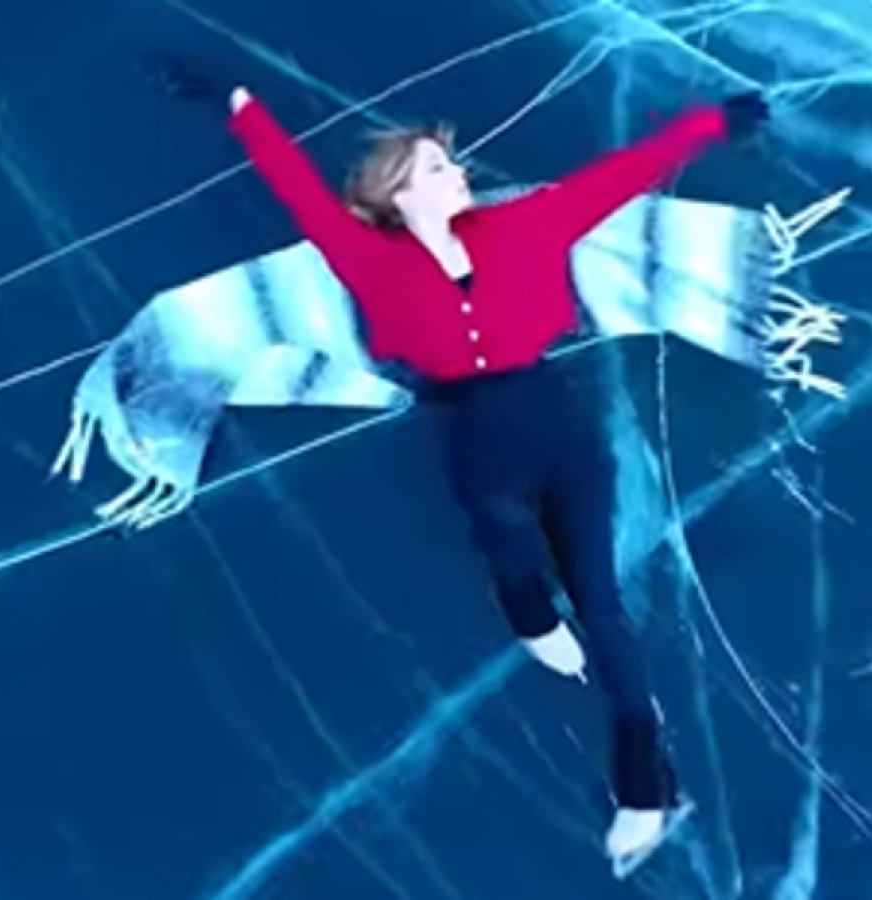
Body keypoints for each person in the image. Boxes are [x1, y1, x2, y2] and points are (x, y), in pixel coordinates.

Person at [147, 53, 769, 870]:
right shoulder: (366, 258)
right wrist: (237, 100)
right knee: (508, 554)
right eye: (438, 168)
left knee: (602, 605)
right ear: (399, 195)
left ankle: (645, 793)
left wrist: (711, 124)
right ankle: (531, 617)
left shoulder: (527, 224)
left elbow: (621, 176)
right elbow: (296, 186)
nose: (459, 173)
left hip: (555, 424)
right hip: (477, 440)